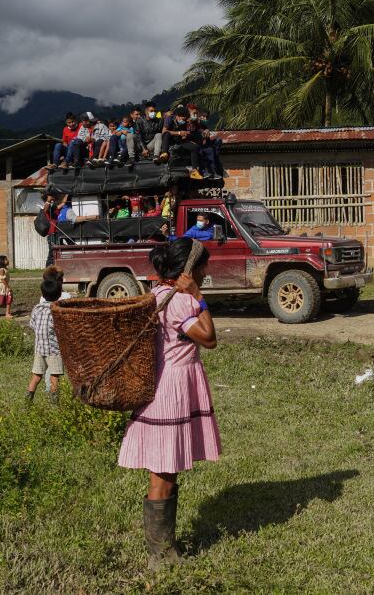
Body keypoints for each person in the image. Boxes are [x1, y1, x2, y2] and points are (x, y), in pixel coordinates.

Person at [118, 238, 220, 569]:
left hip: (165, 385)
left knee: (168, 469)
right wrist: (199, 297)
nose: (206, 270)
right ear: (188, 270)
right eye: (203, 264)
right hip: (172, 390)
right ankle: (158, 555)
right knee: (162, 473)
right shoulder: (182, 301)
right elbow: (209, 339)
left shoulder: (160, 295)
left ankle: (166, 548)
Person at [27, 277, 65, 403]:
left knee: (36, 375)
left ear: (42, 294)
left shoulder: (37, 308)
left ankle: (27, 401)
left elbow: (32, 325)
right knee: (54, 376)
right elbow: (59, 328)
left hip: (39, 349)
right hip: (54, 350)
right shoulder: (56, 311)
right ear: (59, 295)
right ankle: (54, 404)